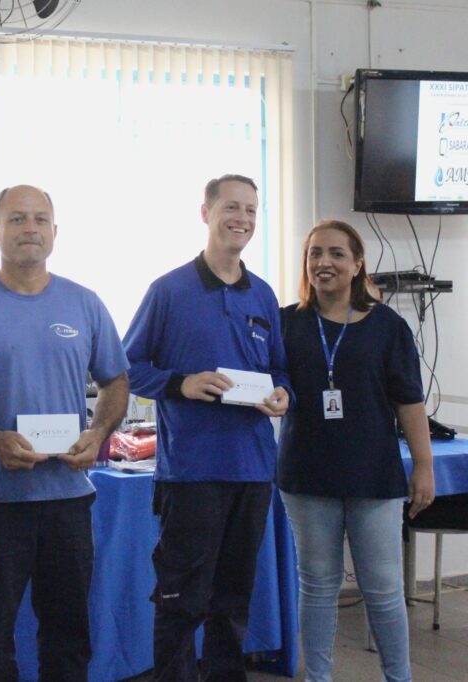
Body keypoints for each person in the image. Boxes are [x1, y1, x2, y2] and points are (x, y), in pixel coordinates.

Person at [0, 184, 129, 680]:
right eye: (16, 219)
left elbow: (116, 381)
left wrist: (97, 434)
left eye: (39, 219)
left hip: (68, 499)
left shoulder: (86, 303)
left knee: (69, 633)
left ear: (55, 232)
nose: (29, 228)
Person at [121, 174, 291, 681]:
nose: (242, 219)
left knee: (233, 598)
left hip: (254, 472)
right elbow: (125, 368)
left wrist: (284, 395)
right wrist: (180, 383)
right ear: (206, 212)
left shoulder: (262, 295)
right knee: (180, 599)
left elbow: (279, 370)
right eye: (231, 207)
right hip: (192, 473)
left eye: (252, 211)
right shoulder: (169, 290)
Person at [277, 219, 434, 682]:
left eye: (336, 254)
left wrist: (423, 465)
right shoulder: (288, 322)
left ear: (357, 262)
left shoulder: (389, 327)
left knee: (383, 589)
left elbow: (410, 401)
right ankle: (318, 678)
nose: (324, 263)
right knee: (318, 586)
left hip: (374, 478)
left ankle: (398, 677)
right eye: (315, 254)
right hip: (306, 477)